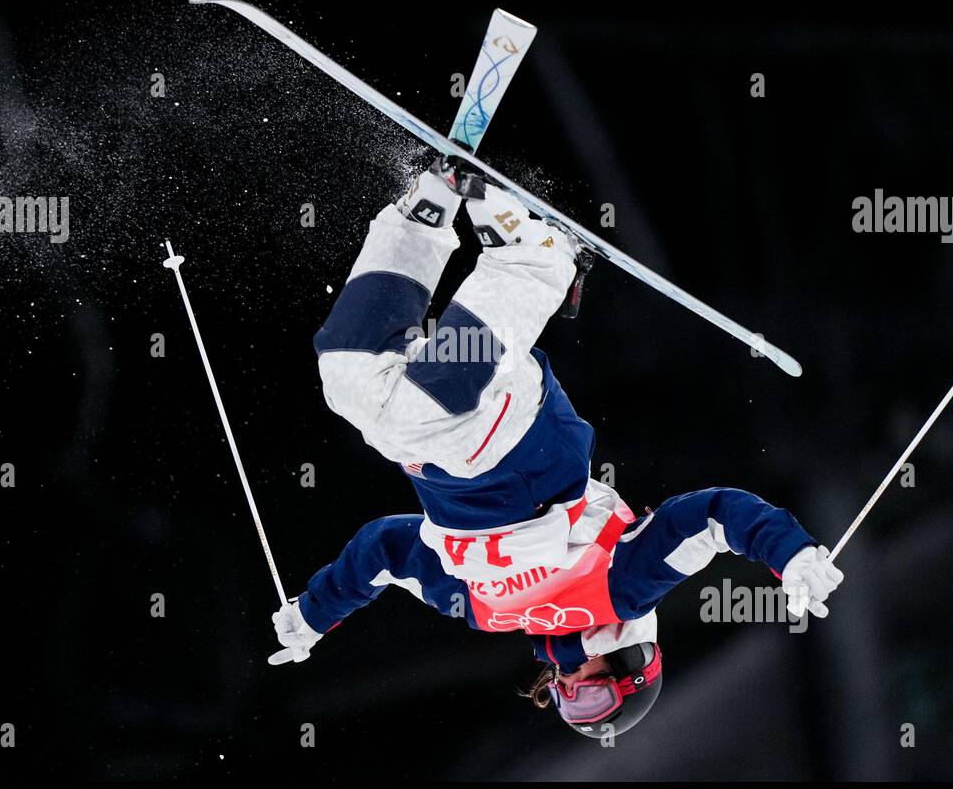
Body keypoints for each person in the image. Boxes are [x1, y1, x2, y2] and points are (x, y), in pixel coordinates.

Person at [270, 157, 844, 738]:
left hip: (442, 458)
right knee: (421, 417)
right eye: (592, 693)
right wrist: (790, 555)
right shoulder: (622, 592)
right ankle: (534, 264)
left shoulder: (483, 613)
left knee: (350, 385)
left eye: (566, 702)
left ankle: (421, 219)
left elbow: (386, 550)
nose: (568, 687)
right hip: (523, 448)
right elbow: (714, 516)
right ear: (633, 668)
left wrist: (315, 616)